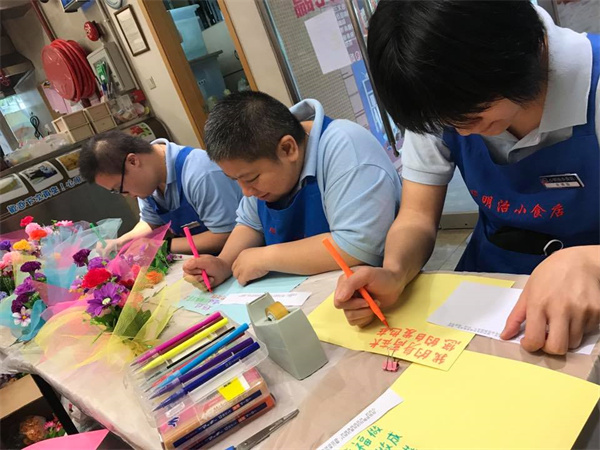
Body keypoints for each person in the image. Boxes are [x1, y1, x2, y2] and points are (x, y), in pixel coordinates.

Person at [335, 0, 600, 356]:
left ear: (516, 52)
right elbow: (416, 216)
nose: (461, 132)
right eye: (448, 122)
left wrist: (589, 262)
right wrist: (395, 272)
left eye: (474, 115)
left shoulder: (592, 84)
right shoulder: (438, 94)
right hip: (486, 294)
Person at [183, 91, 402, 287]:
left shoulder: (346, 148)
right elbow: (250, 223)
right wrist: (223, 263)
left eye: (251, 178)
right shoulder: (262, 156)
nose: (246, 192)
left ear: (288, 149)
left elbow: (357, 247)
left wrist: (266, 257)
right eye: (235, 180)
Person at [79, 130, 242, 255]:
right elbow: (150, 221)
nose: (125, 194)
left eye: (119, 187)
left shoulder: (200, 174)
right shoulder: (148, 181)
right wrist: (121, 242)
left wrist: (160, 246)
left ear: (133, 161)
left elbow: (225, 235)